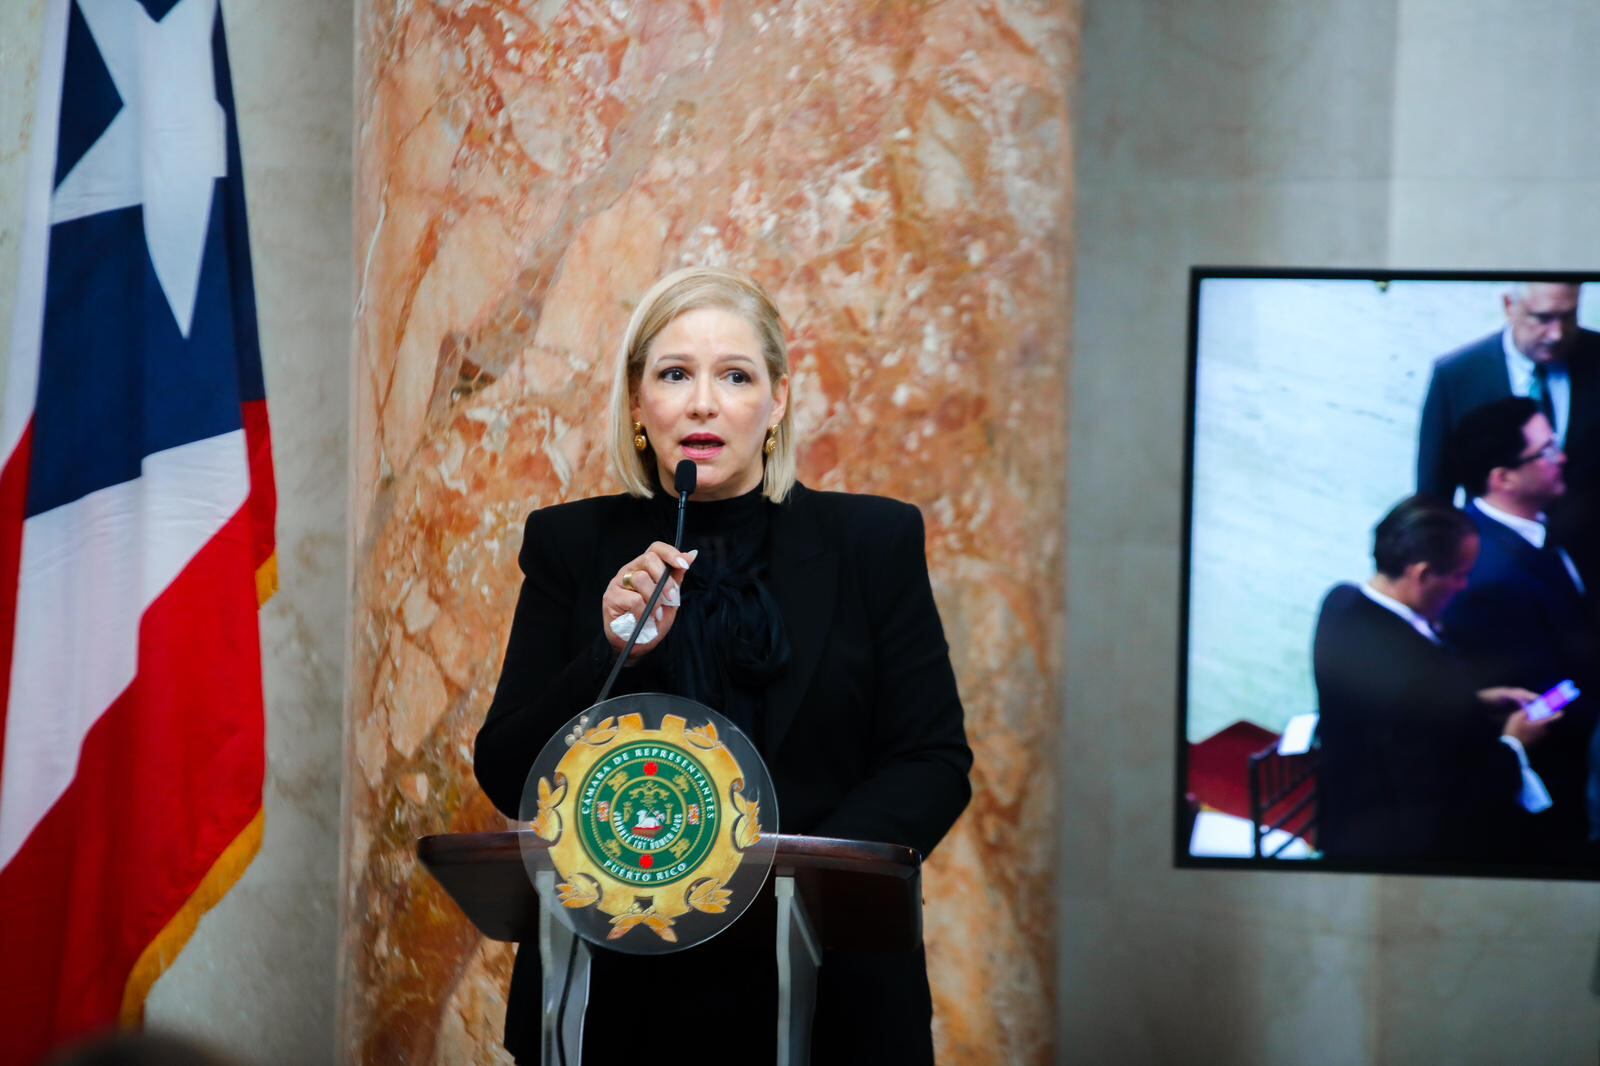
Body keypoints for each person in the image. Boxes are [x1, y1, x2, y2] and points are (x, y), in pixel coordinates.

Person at [473, 266, 973, 1064]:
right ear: (637, 404)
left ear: (777, 402)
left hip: (824, 987)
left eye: (735, 376)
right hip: (618, 998)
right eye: (675, 374)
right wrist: (609, 650)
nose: (703, 403)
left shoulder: (872, 544)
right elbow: (507, 772)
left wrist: (783, 885)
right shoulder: (571, 545)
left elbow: (933, 762)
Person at [1312, 495, 1553, 865]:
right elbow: (1450, 793)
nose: (1464, 585)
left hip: (1346, 816)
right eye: (1459, 574)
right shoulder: (1420, 678)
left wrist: (1473, 701)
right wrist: (1515, 744)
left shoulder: (1339, 603)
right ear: (1422, 574)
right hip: (1406, 850)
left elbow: (1387, 715)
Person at [1441, 398, 1597, 853]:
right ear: (1503, 478)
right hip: (1556, 781)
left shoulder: (1543, 525)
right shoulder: (1489, 576)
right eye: (1546, 451)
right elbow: (1543, 697)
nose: (1561, 457)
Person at [1415, 281, 1599, 577]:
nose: (1556, 334)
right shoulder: (1457, 376)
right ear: (1509, 306)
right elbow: (1433, 494)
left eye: (1568, 317)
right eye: (1542, 318)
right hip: (1490, 571)